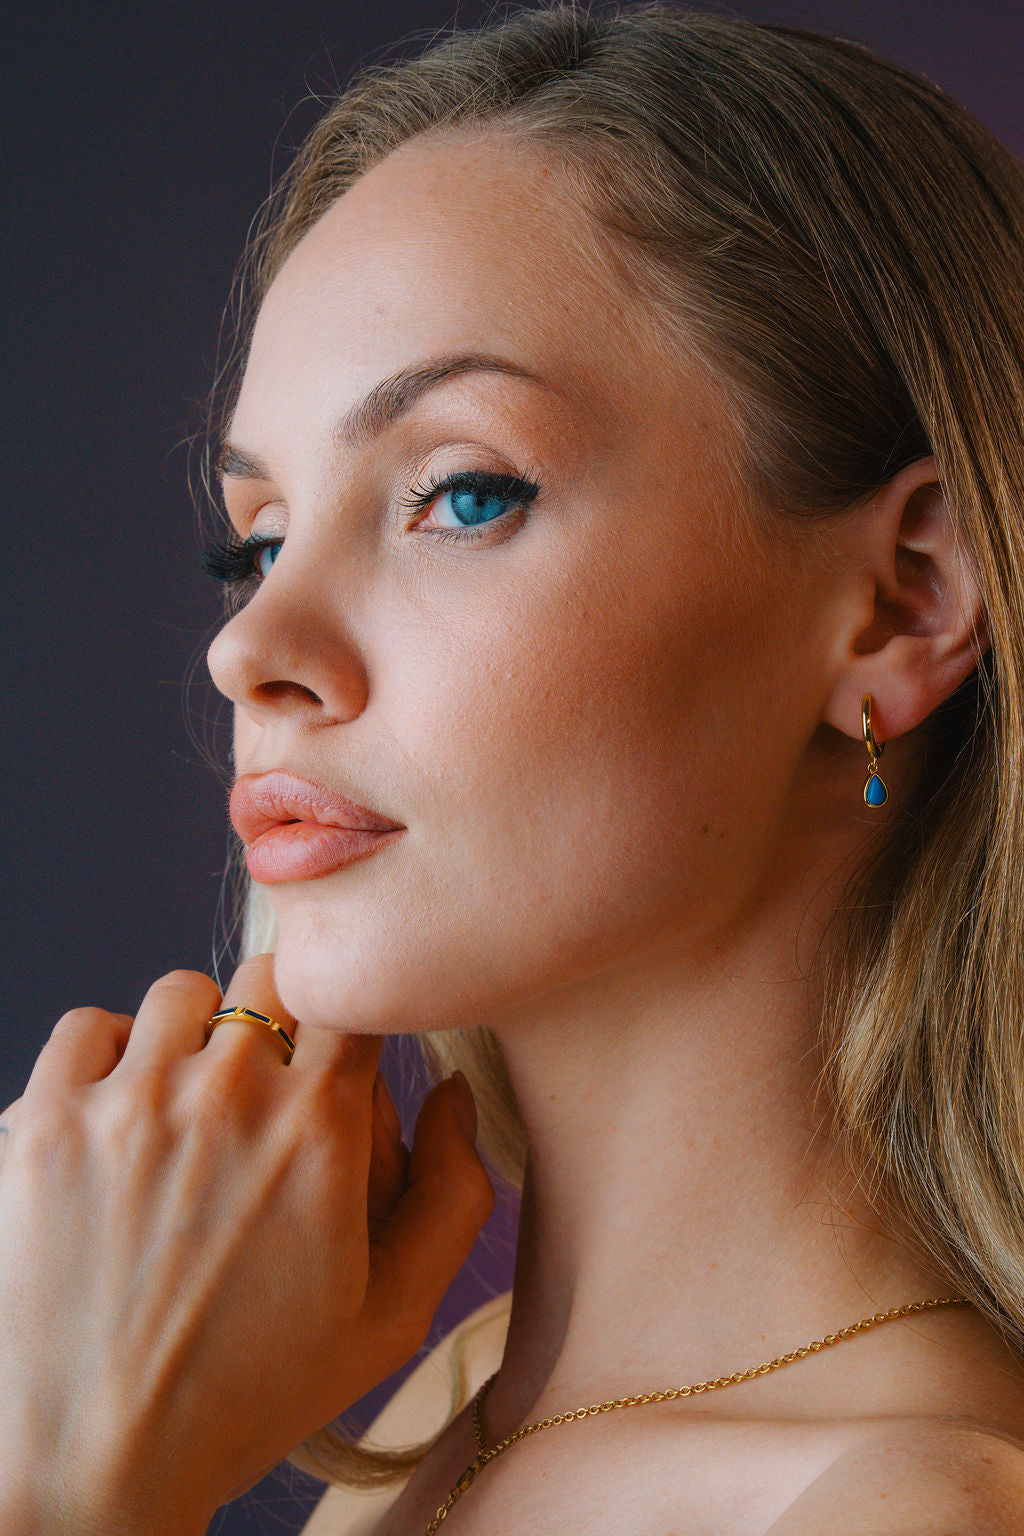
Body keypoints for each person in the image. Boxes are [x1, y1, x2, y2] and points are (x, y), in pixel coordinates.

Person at [4, 2, 1024, 1532]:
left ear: (903, 602)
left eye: (461, 495)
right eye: (258, 538)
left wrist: (75, 1485)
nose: (252, 646)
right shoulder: (458, 1420)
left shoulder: (907, 1502)